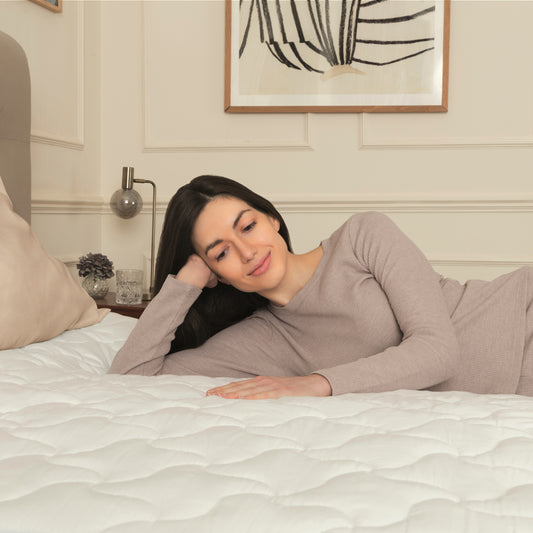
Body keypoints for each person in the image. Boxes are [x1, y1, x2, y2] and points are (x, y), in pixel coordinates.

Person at [109, 175, 533, 399]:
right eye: (221, 253)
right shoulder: (256, 341)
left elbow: (438, 351)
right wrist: (186, 282)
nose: (248, 252)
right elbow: (131, 378)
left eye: (249, 226)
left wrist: (314, 384)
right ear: (215, 272)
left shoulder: (362, 236)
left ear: (272, 219)